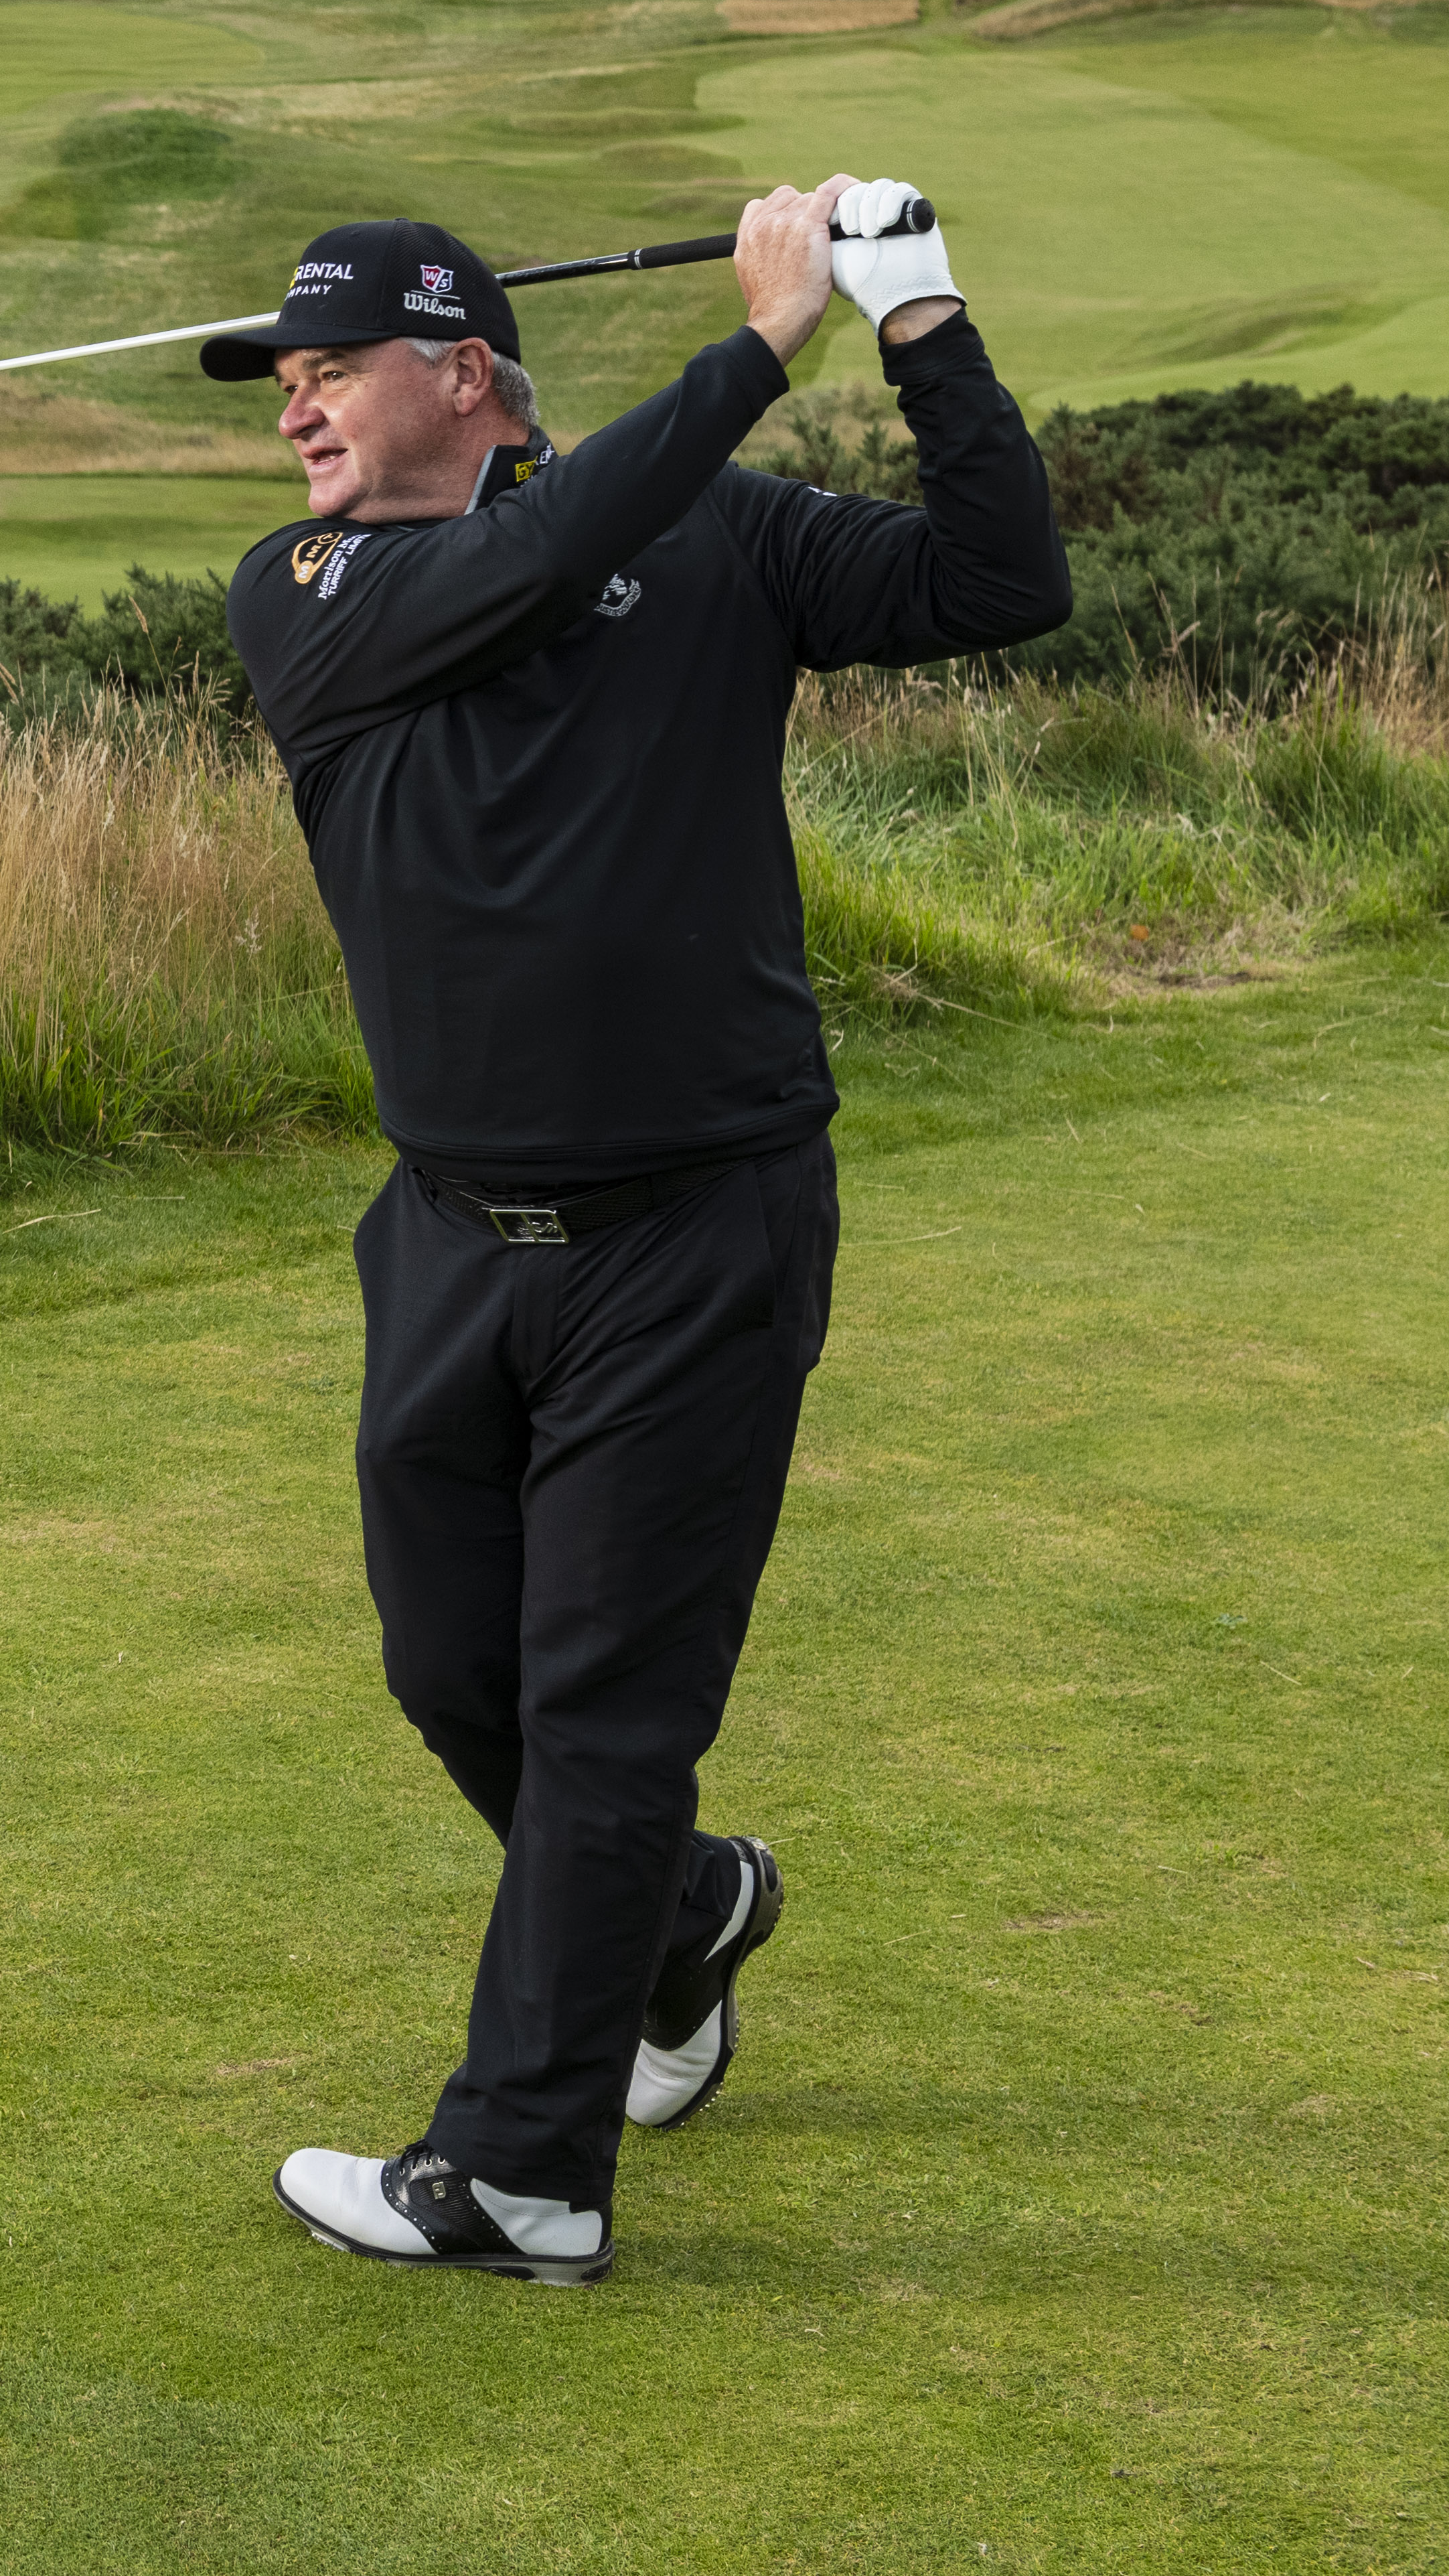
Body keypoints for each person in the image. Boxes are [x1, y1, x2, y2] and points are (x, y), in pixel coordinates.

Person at [216, 182, 1068, 2282]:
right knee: (454, 1669)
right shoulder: (311, 591)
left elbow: (1000, 579)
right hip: (444, 1237)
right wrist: (753, 349)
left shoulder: (719, 537)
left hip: (701, 1224)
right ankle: (678, 1912)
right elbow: (536, 557)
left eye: (332, 370)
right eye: (286, 379)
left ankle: (518, 2169)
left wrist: (914, 313)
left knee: (604, 1704)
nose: (298, 410)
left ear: (467, 372)